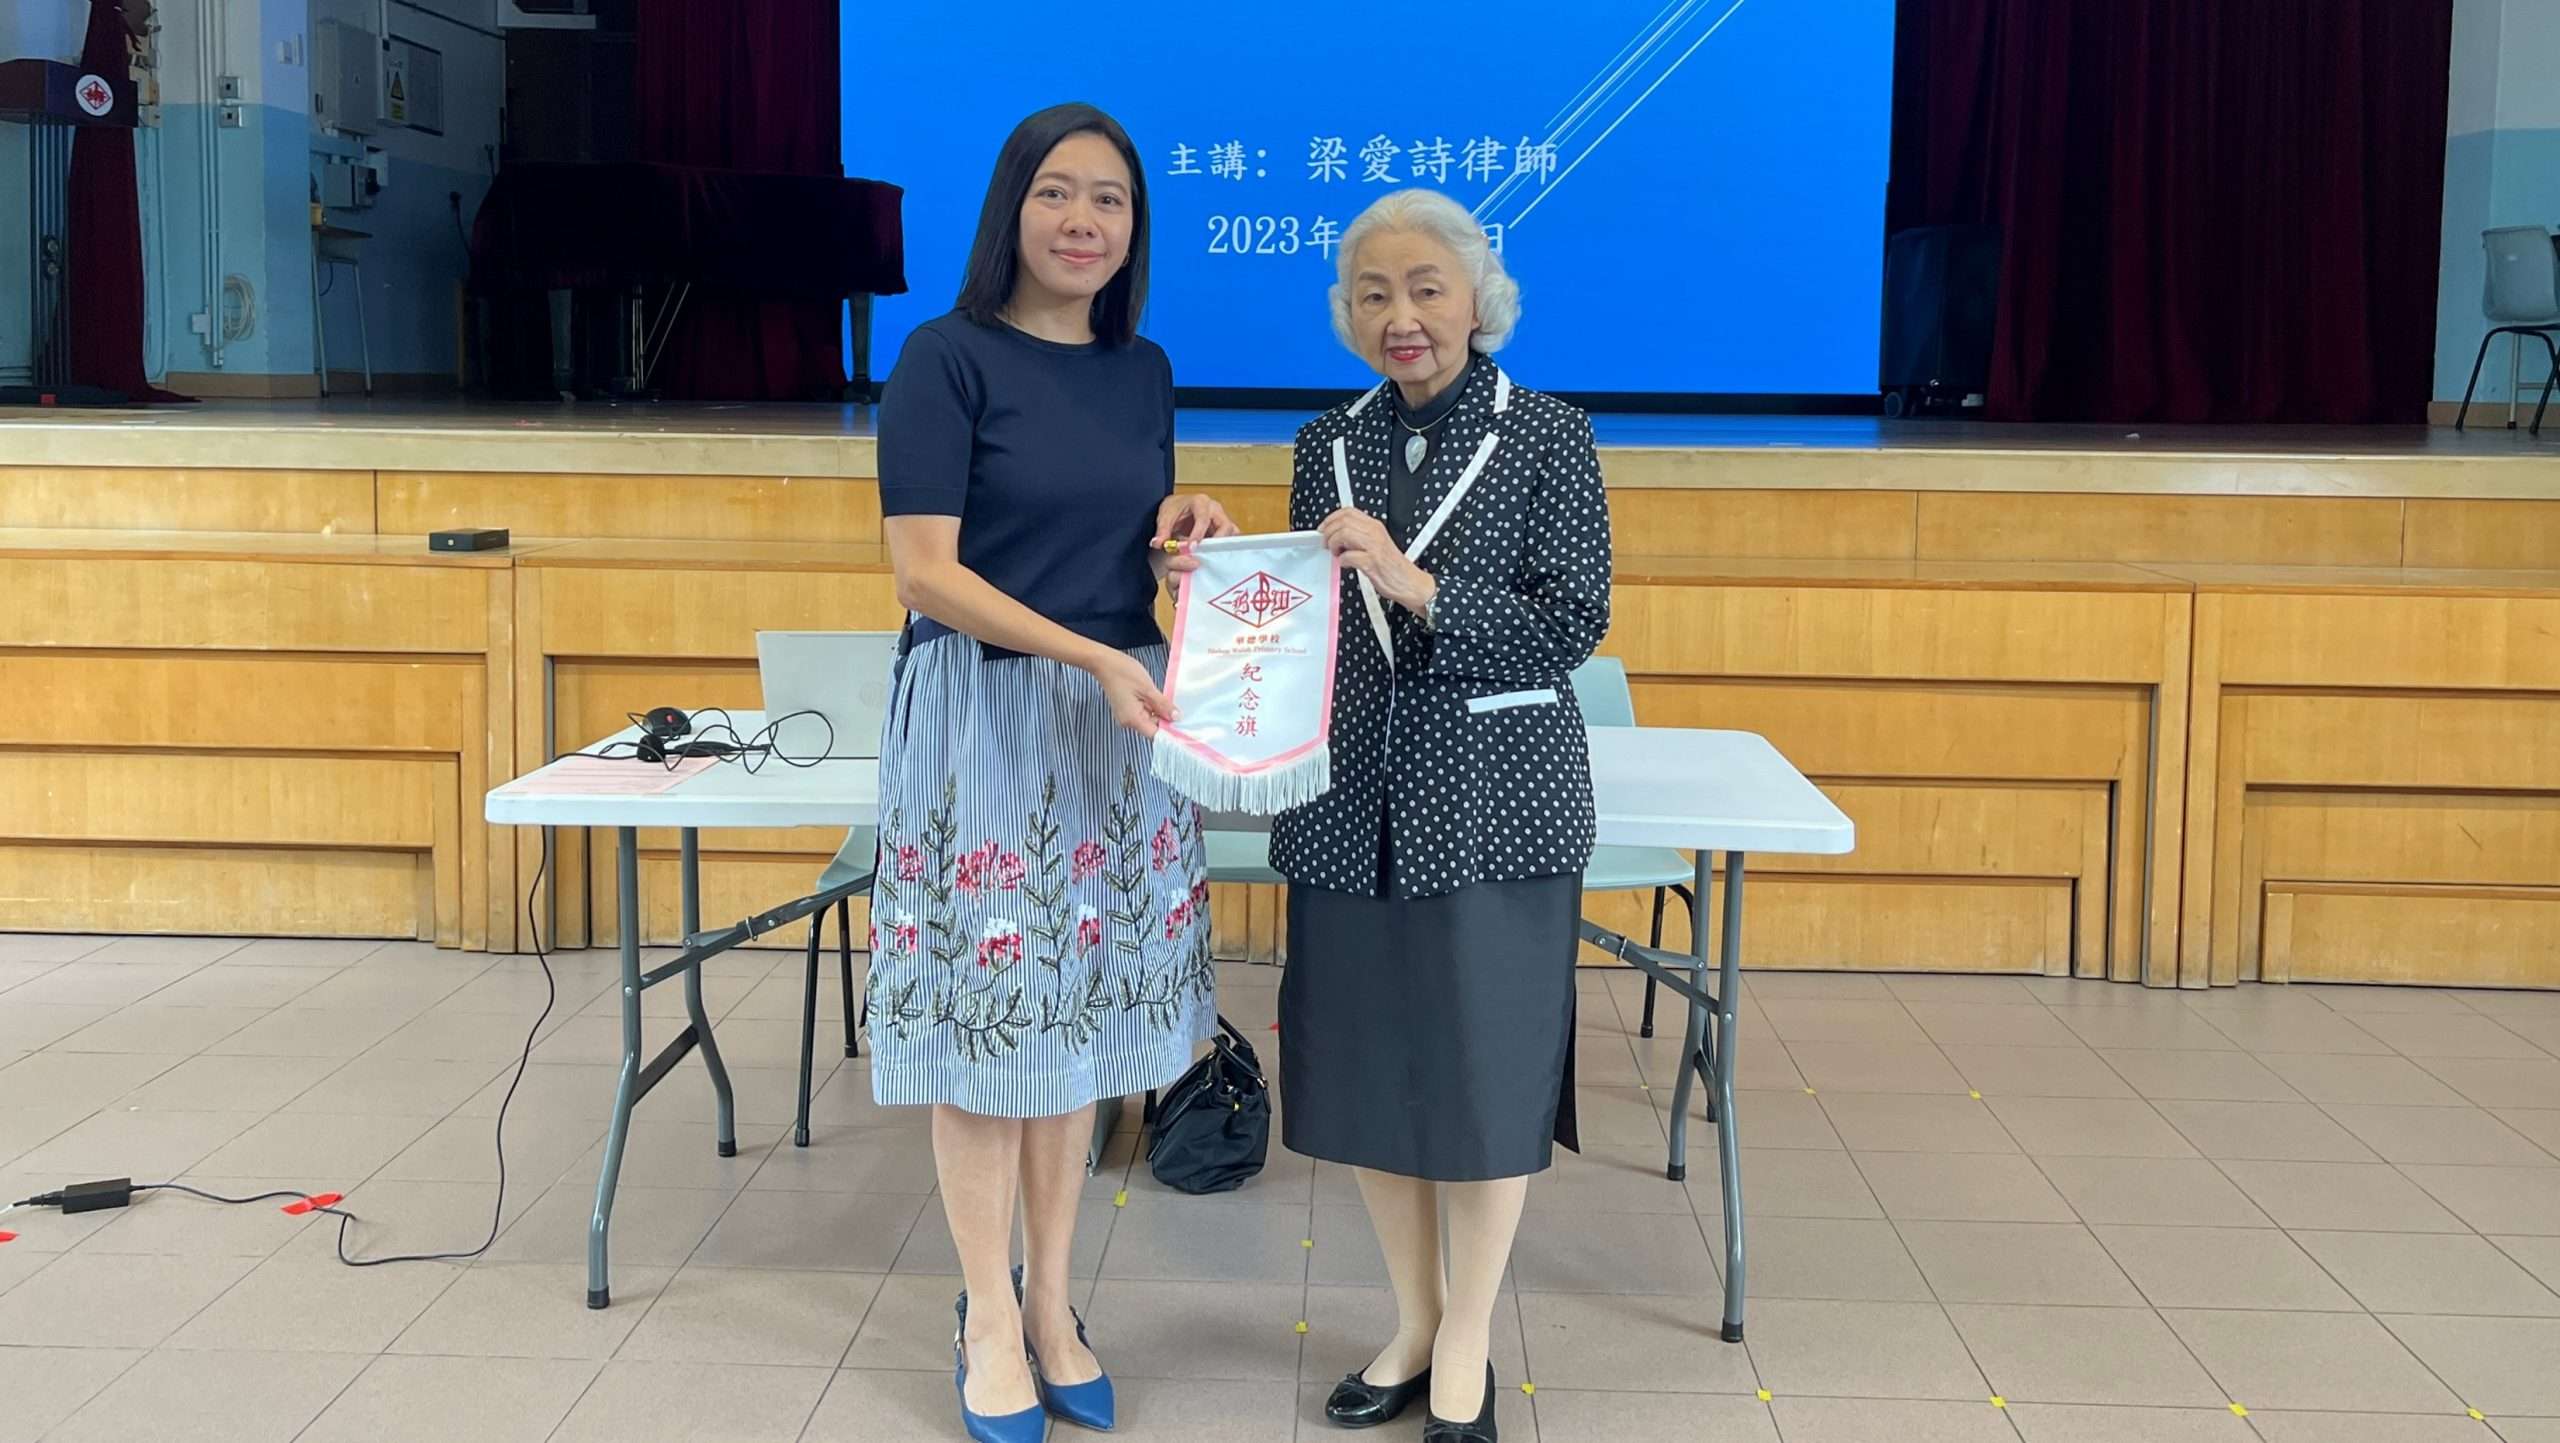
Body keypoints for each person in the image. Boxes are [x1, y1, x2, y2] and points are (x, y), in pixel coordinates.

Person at [867, 101, 1237, 1443]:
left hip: (1114, 723)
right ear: (1010, 208)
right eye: (1057, 193)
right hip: (986, 719)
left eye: (1111, 201)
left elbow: (1116, 547)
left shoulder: (1142, 370)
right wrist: (1087, 653)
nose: (1084, 222)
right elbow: (925, 572)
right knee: (988, 1033)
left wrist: (1178, 539)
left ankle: (1055, 1300)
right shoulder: (944, 358)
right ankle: (984, 1310)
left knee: (1074, 1026)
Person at [1273, 189, 1613, 1443]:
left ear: (1479, 300)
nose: (1400, 315)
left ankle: (1467, 1335)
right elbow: (1307, 621)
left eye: (1425, 288)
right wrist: (1207, 594)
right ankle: (1413, 1322)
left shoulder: (1551, 434)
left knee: (1483, 1075)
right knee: (1369, 1069)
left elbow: (1571, 622)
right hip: (1348, 798)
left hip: (1494, 800)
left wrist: (1417, 586)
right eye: (1373, 293)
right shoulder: (1326, 442)